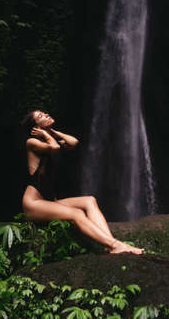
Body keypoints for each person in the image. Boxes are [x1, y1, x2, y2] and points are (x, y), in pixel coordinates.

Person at [21, 109, 144, 254]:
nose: (46, 114)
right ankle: (115, 245)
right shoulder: (32, 142)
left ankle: (109, 244)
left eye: (45, 113)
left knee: (89, 200)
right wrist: (45, 134)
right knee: (76, 213)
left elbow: (73, 142)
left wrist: (51, 131)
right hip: (33, 203)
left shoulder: (50, 138)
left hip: (49, 201)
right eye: (41, 116)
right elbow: (54, 148)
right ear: (35, 127)